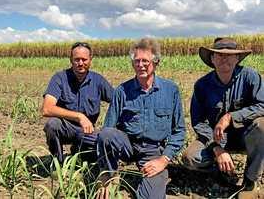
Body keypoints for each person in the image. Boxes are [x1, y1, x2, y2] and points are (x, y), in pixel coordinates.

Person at [96, 38, 186, 199]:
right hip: (127, 145)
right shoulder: (122, 91)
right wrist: (105, 170)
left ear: (156, 62)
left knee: (151, 197)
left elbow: (179, 131)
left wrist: (163, 160)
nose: (140, 65)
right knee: (107, 134)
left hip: (152, 151)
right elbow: (107, 130)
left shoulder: (170, 90)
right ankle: (110, 175)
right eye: (137, 61)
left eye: (145, 61)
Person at [183, 37, 264, 197]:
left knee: (262, 126)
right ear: (212, 59)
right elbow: (198, 121)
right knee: (190, 158)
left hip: (246, 136)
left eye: (229, 55)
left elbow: (262, 105)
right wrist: (217, 148)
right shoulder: (202, 85)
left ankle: (249, 181)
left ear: (237, 58)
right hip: (215, 138)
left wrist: (230, 117)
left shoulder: (250, 77)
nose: (224, 58)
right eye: (219, 55)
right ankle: (221, 172)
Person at [42, 42, 114, 163]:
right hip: (65, 127)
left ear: (91, 59)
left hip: (87, 131)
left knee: (99, 153)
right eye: (76, 59)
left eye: (84, 59)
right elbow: (47, 109)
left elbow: (117, 101)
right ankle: (57, 162)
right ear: (71, 60)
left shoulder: (98, 80)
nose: (80, 63)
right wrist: (79, 117)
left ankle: (78, 151)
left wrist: (110, 125)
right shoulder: (59, 78)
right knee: (52, 125)